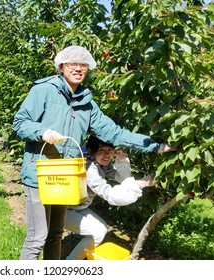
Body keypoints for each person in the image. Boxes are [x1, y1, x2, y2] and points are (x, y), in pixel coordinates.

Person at [12, 45, 174, 260]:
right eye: (72, 64)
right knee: (37, 237)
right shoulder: (44, 90)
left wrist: (155, 146)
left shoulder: (86, 102)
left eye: (83, 64)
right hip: (39, 174)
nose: (78, 68)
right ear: (61, 66)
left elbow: (114, 133)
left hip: (65, 176)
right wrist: (42, 132)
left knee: (55, 234)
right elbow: (20, 123)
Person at [64, 135, 153, 260]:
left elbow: (121, 178)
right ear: (91, 150)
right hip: (60, 209)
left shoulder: (101, 164)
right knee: (97, 232)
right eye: (101, 150)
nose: (106, 155)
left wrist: (121, 160)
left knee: (101, 229)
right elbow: (110, 195)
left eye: (110, 150)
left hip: (76, 206)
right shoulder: (88, 167)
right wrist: (141, 183)